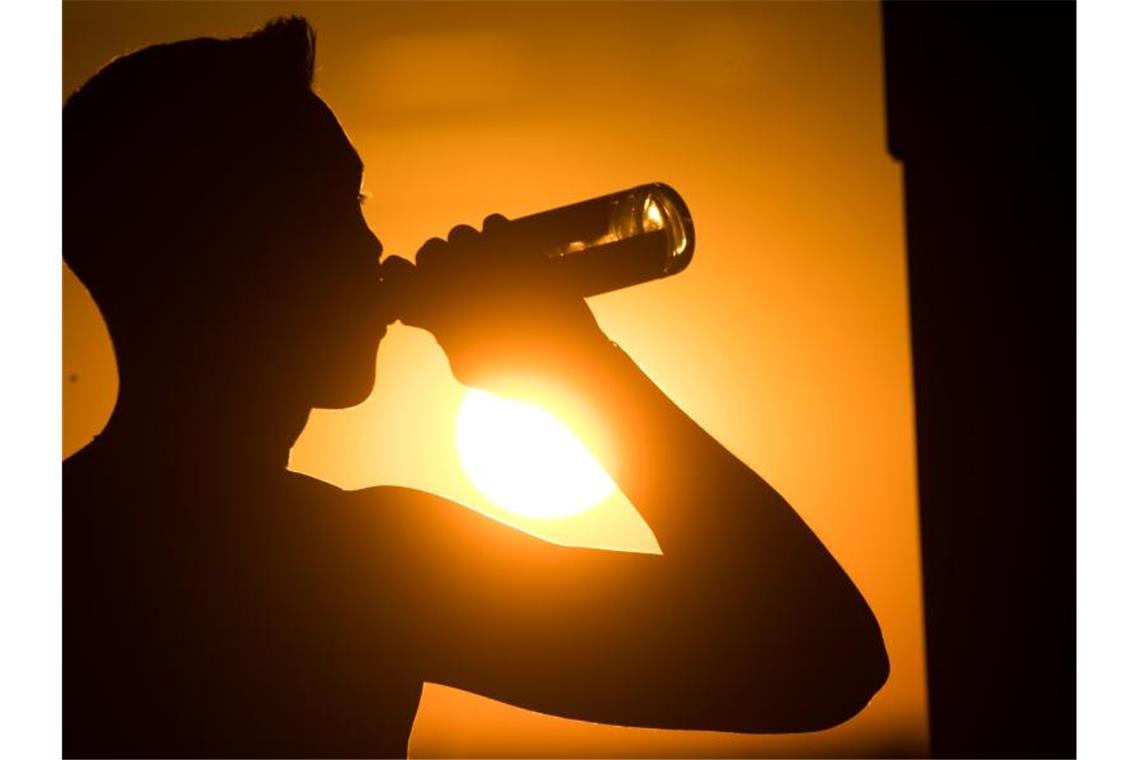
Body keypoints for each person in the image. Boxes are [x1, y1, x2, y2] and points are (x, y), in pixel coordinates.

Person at [63, 17, 888, 758]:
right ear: (225, 259)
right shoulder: (348, 567)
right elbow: (818, 658)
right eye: (331, 209)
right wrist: (575, 366)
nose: (373, 248)